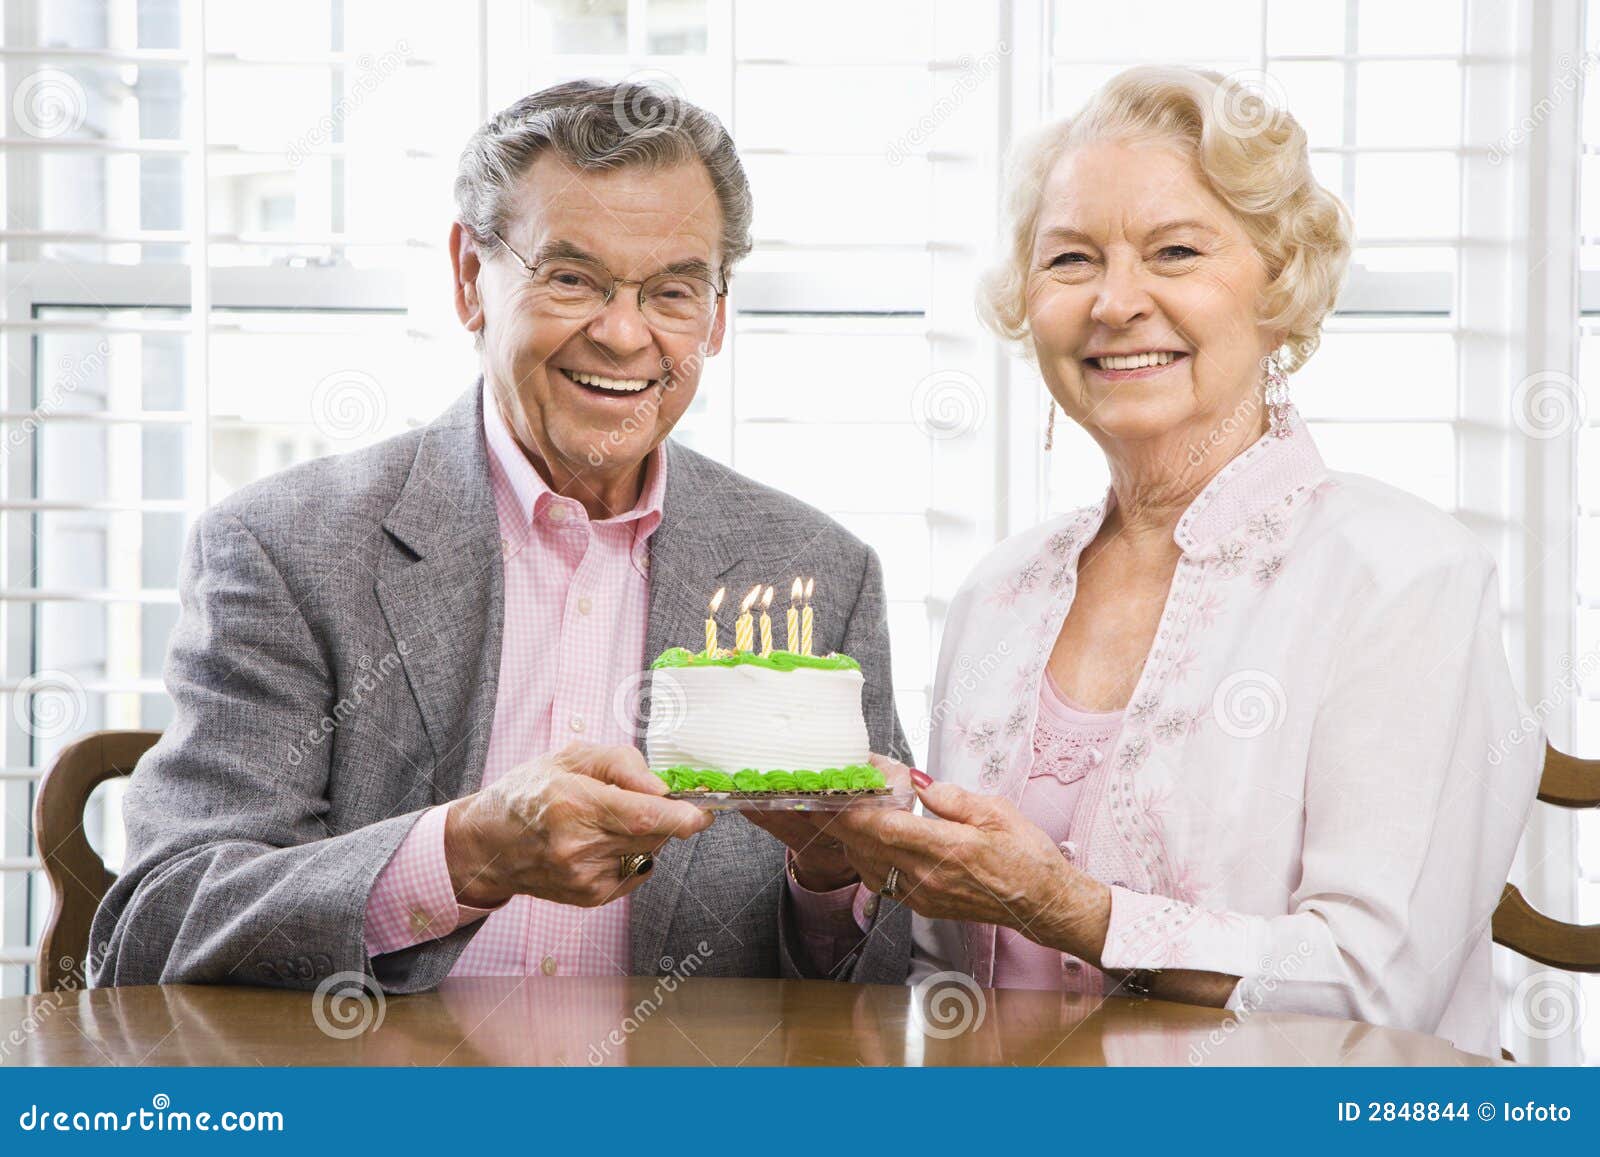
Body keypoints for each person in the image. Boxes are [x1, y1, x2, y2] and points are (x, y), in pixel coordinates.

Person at [91, 81, 909, 992]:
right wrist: (460, 856)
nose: (624, 333)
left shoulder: (819, 575)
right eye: (571, 278)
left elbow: (883, 977)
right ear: (469, 277)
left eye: (673, 290)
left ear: (715, 314)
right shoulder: (286, 549)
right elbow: (158, 924)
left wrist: (832, 877)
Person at [831, 65, 1542, 1057]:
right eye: (1071, 259)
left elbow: (1377, 985)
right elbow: (941, 982)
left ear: (1279, 287)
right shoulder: (1001, 592)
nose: (1116, 302)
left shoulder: (1404, 577)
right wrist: (838, 865)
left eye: (1173, 251)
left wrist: (1070, 906)